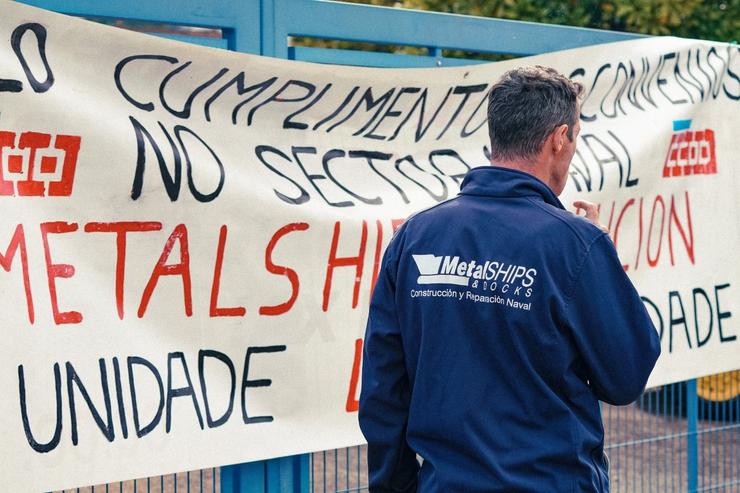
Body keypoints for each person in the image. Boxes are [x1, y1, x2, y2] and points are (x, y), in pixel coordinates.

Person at [358, 66, 661, 492]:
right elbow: (626, 376)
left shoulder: (415, 236)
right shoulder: (576, 244)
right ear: (560, 138)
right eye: (575, 138)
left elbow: (383, 391)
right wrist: (601, 251)